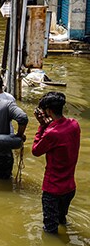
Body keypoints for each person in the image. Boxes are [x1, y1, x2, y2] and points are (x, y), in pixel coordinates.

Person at [32, 92, 80, 234]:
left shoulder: (52, 133)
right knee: (61, 220)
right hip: (70, 187)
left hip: (53, 189)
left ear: (48, 110)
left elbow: (36, 151)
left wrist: (41, 126)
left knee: (50, 231)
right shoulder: (74, 124)